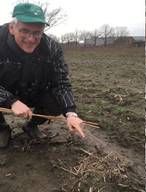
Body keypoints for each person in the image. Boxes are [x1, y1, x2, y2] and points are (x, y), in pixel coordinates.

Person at [0, 3, 85, 147]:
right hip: (4, 91)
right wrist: (11, 101)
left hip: (33, 90)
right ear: (12, 28)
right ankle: (1, 128)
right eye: (25, 31)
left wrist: (71, 113)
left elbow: (61, 82)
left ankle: (31, 125)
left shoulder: (52, 49)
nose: (31, 39)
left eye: (37, 33)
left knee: (57, 102)